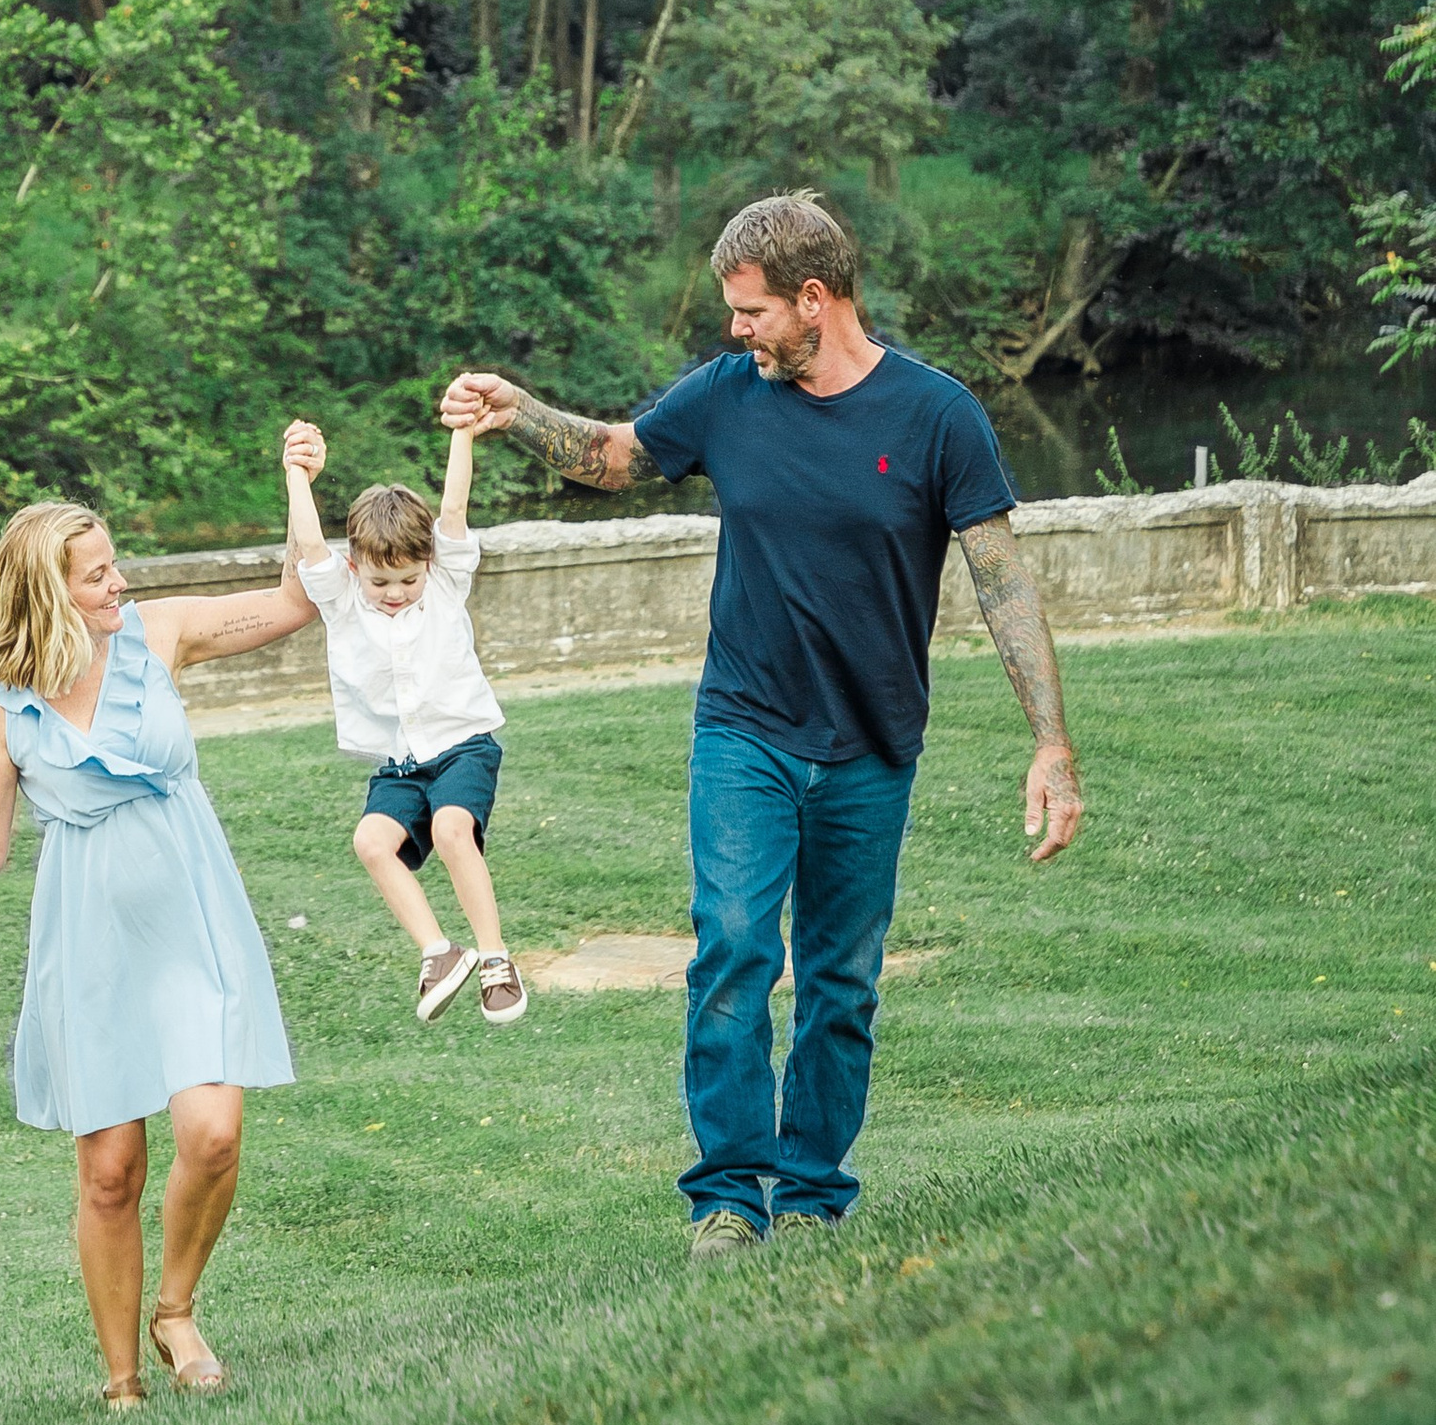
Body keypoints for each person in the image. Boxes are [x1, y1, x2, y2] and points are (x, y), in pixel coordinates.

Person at [444, 188, 1084, 1261]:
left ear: (815, 300)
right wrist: (519, 411)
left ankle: (813, 1191)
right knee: (734, 947)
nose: (736, 332)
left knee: (840, 980)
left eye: (751, 313)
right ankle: (728, 1201)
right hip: (745, 727)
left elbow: (1003, 585)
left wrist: (1050, 745)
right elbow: (614, 455)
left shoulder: (936, 416)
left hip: (874, 743)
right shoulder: (730, 394)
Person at [0, 500, 314, 1407]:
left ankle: (176, 1309)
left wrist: (296, 486)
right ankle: (122, 1378)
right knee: (110, 1169)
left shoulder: (159, 635)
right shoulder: (0, 703)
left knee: (212, 1134)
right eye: (95, 574)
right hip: (88, 943)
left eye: (113, 565)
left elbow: (295, 601)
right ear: (47, 591)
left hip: (190, 921)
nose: (119, 581)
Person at [280, 412, 526, 1028]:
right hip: (401, 762)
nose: (396, 592)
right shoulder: (340, 599)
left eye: (408, 579)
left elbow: (453, 507)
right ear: (355, 566)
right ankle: (439, 954)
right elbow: (311, 545)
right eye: (382, 580)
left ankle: (495, 959)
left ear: (428, 565)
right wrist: (296, 474)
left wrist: (463, 433)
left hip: (463, 745)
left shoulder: (444, 582)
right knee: (370, 842)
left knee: (450, 831)